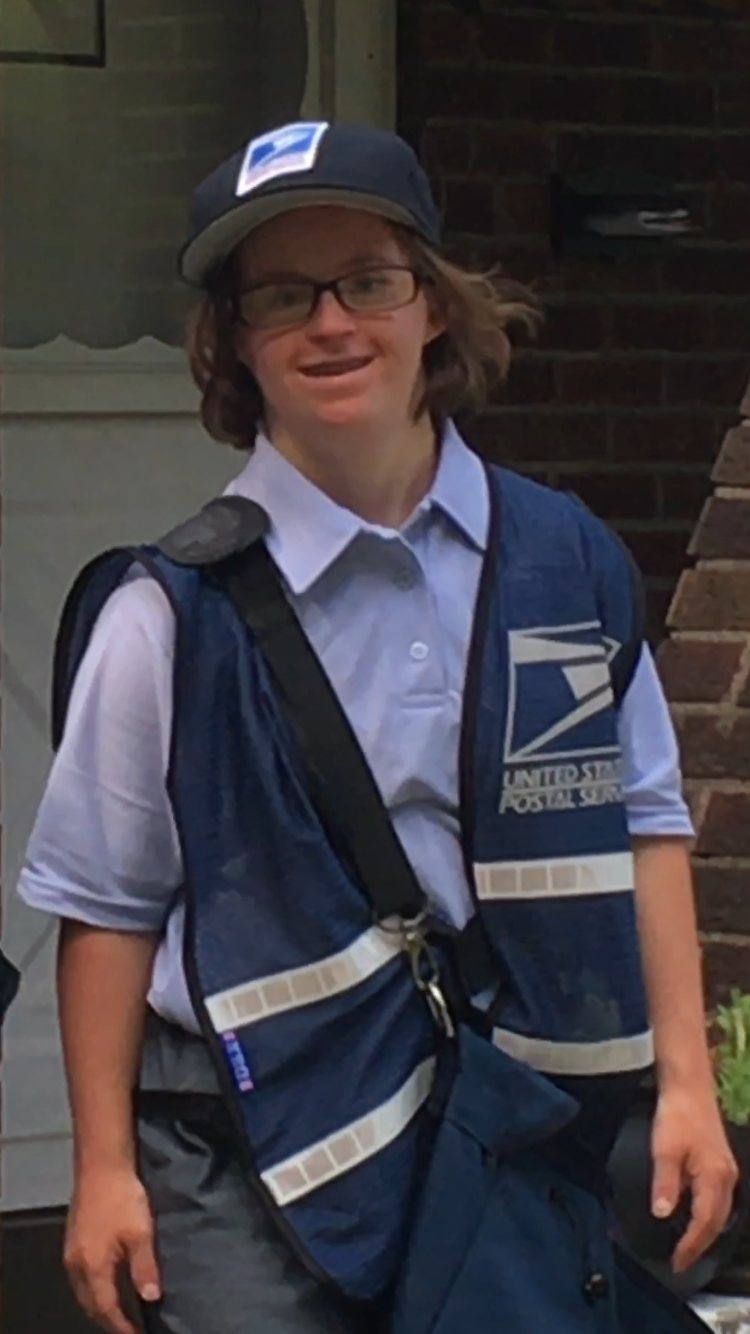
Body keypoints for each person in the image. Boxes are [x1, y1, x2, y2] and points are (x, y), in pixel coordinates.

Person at [17, 120, 736, 1334]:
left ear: (434, 305)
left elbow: (648, 824)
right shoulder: (168, 611)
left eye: (368, 281)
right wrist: (100, 1171)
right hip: (241, 1152)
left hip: (500, 1127)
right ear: (236, 343)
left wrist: (687, 1081)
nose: (332, 323)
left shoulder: (564, 561)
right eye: (284, 296)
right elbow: (107, 909)